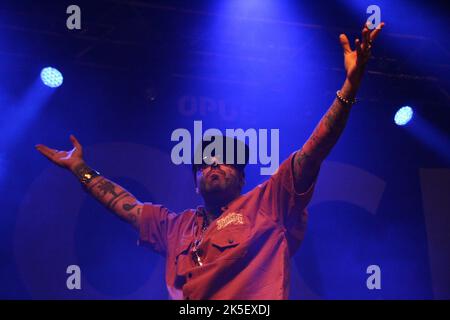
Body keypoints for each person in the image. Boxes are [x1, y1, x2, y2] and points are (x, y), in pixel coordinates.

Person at [35, 22, 384, 299]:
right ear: (195, 181)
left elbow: (315, 150)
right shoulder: (176, 227)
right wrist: (79, 168)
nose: (214, 165)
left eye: (225, 160)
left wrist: (349, 88)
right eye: (204, 163)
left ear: (242, 175)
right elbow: (125, 204)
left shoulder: (269, 203)